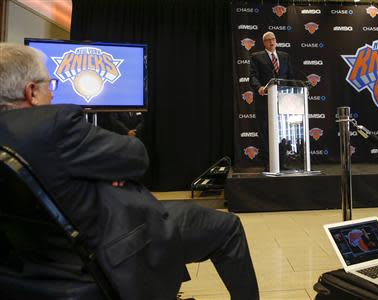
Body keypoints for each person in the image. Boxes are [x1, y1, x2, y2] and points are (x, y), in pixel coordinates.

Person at [0, 43, 259, 300]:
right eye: (49, 85)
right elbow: (135, 156)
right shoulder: (53, 125)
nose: (53, 95)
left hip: (39, 263)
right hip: (115, 242)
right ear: (31, 92)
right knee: (228, 228)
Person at [249, 32, 294, 168]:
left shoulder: (285, 56)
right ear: (264, 43)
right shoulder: (256, 57)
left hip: (282, 101)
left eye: (273, 39)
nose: (271, 42)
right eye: (268, 40)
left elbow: (290, 76)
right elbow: (252, 76)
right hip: (264, 101)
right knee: (265, 133)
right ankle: (269, 163)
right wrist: (259, 88)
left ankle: (281, 162)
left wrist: (293, 92)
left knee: (282, 132)